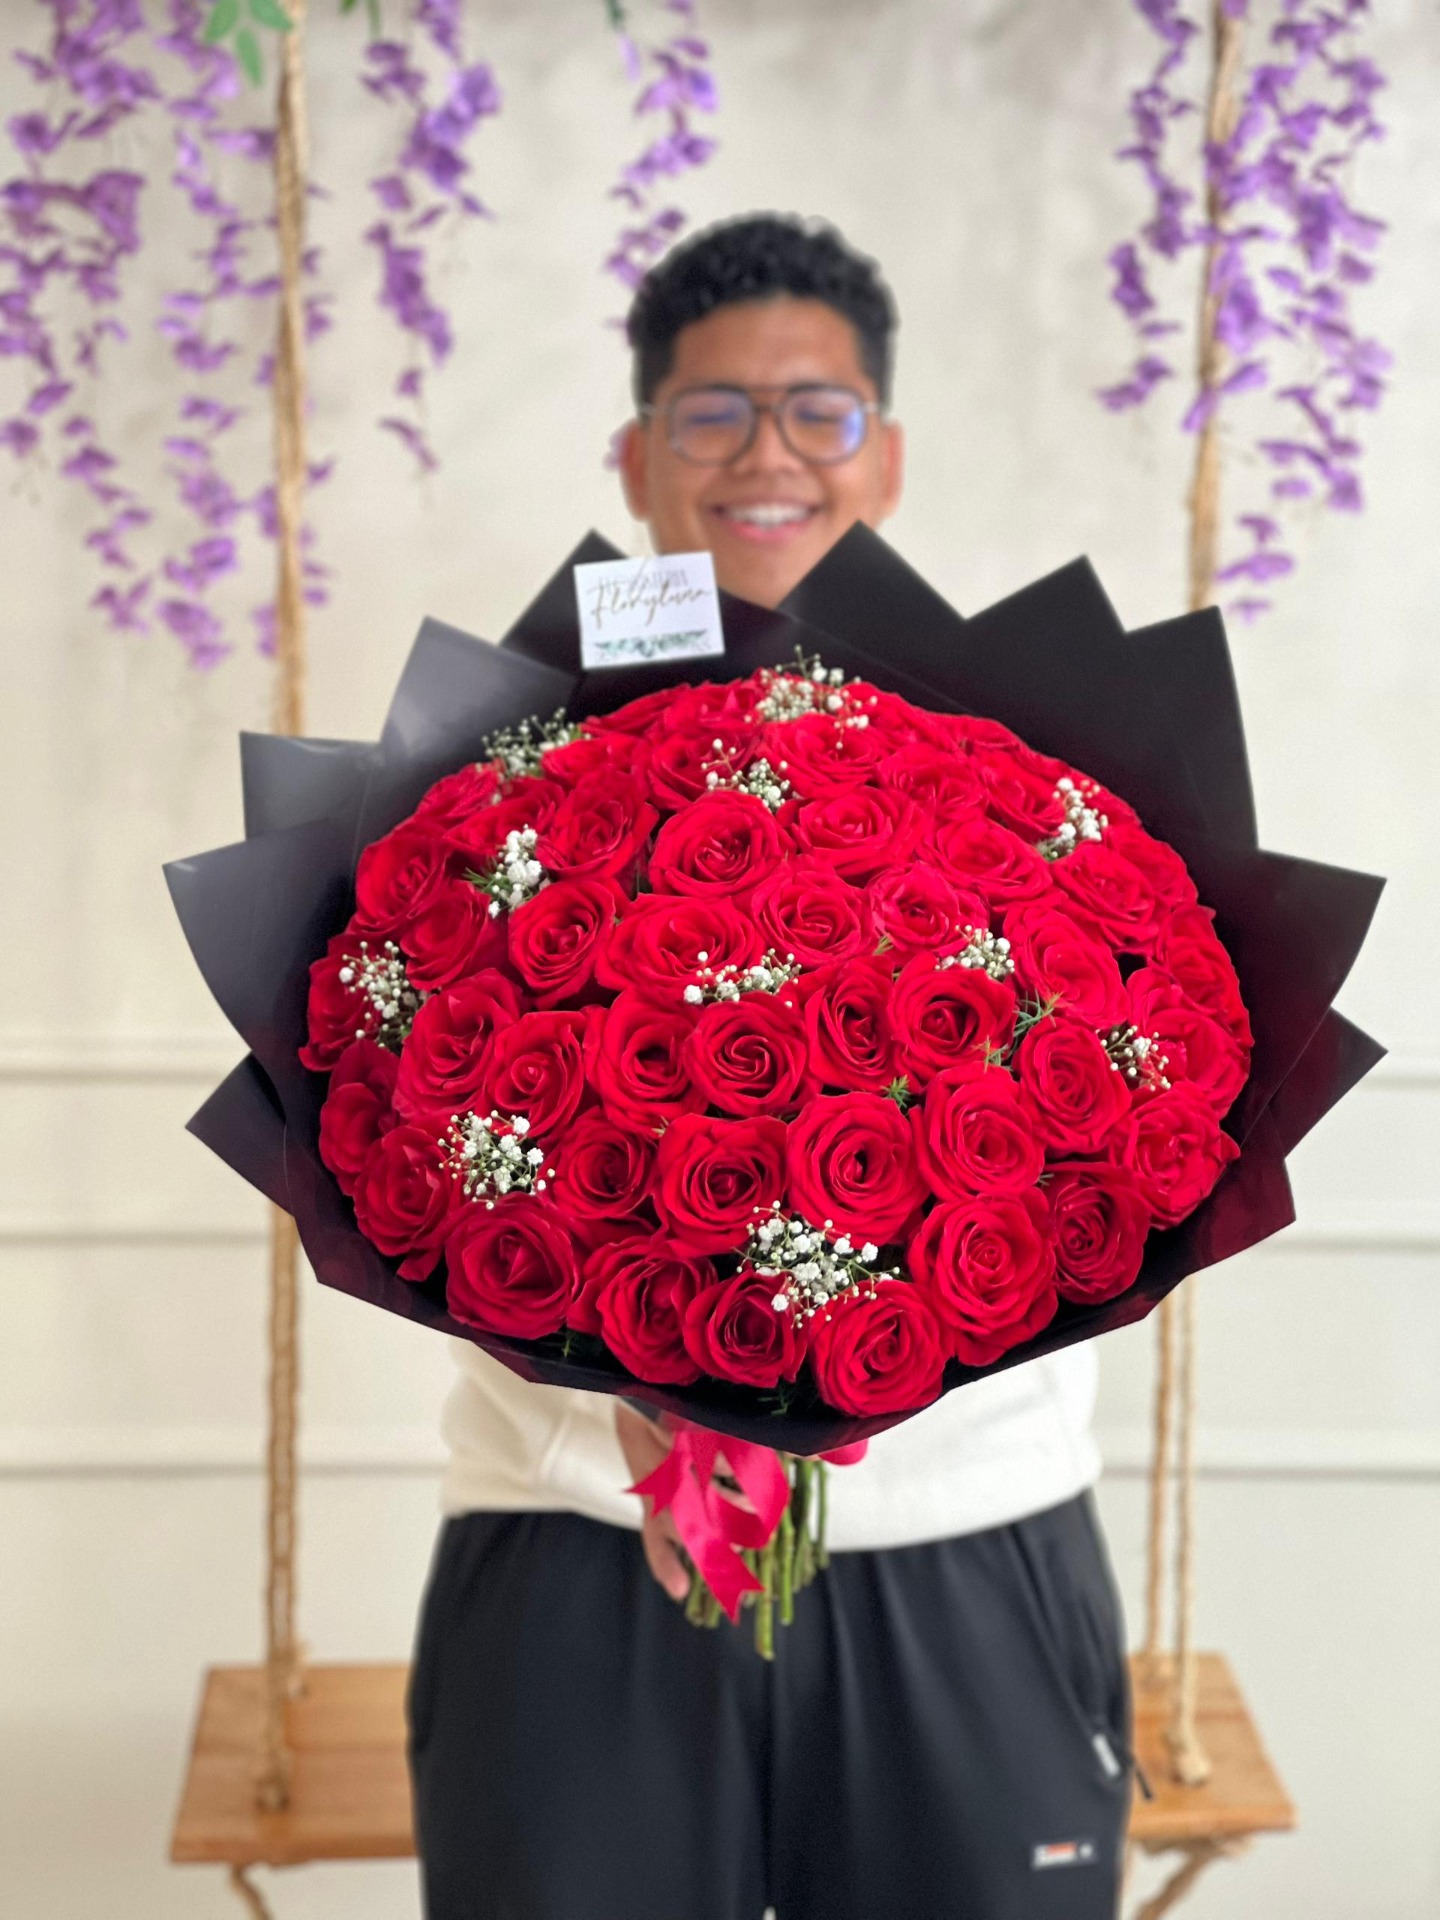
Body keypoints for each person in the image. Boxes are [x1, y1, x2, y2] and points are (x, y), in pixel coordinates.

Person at [409, 214, 1132, 1920]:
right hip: (578, 1545)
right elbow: (402, 1121)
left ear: (887, 451)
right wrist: (649, 1383)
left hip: (966, 1543)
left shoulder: (1023, 752)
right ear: (636, 456)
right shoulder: (502, 761)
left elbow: (1119, 1118)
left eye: (819, 411)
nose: (768, 457)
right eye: (713, 414)